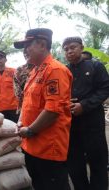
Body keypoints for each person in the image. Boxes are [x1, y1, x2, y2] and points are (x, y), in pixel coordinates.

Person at [14, 28, 73, 190]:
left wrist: (30, 130)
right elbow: (27, 102)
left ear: (42, 44)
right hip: (31, 145)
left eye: (28, 45)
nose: (25, 50)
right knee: (39, 184)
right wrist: (20, 122)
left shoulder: (55, 70)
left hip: (48, 147)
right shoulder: (35, 71)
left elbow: (53, 110)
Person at [62, 36, 109, 190]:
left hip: (93, 122)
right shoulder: (63, 71)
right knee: (74, 163)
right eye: (66, 49)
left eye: (73, 47)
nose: (69, 51)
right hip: (71, 125)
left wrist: (84, 105)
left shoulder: (95, 66)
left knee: (97, 160)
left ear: (82, 48)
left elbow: (104, 89)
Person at [0, 51, 19, 123]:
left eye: (0, 57)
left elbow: (19, 88)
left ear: (5, 60)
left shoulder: (13, 72)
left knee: (16, 129)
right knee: (4, 131)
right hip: (0, 108)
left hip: (13, 107)